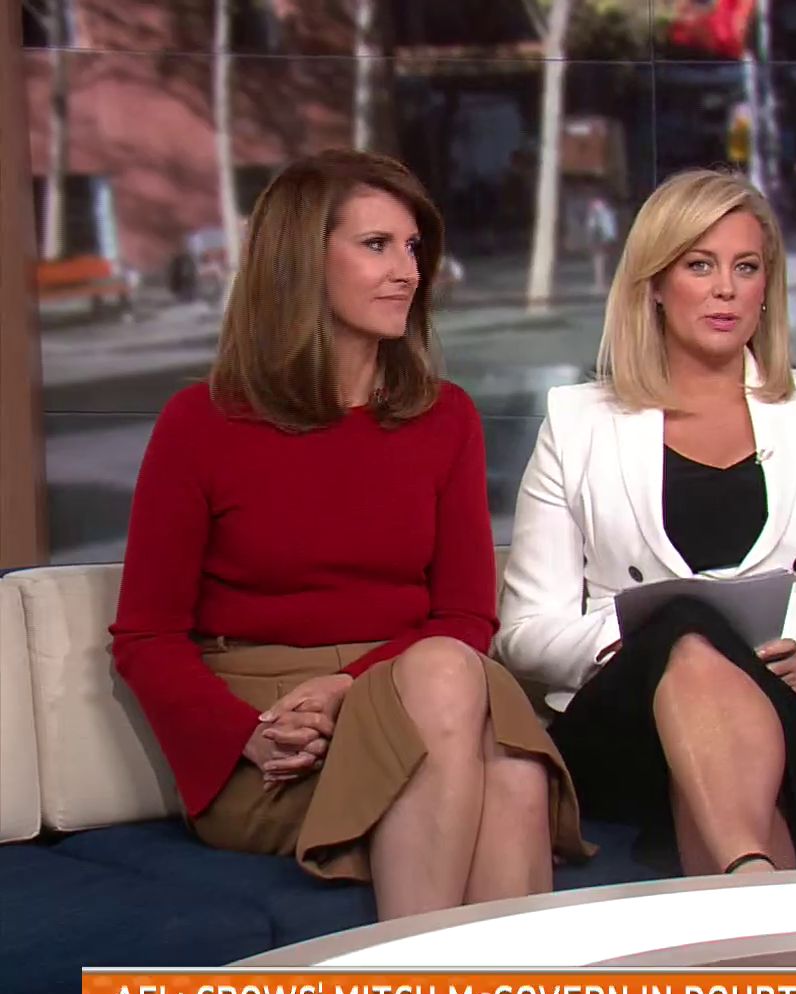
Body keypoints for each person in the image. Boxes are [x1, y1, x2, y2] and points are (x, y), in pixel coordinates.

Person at [110, 150, 590, 921]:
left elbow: (465, 616)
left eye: (413, 248)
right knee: (496, 767)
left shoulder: (446, 417)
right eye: (377, 246)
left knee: (498, 749)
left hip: (422, 689)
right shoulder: (200, 423)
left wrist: (348, 688)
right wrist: (244, 735)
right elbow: (146, 636)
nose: (408, 272)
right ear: (302, 259)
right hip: (277, 740)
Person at [496, 169, 796, 876]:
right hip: (630, 724)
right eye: (699, 266)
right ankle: (759, 889)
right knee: (684, 627)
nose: (725, 290)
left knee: (706, 677)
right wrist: (638, 643)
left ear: (766, 287)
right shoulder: (578, 422)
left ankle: (745, 882)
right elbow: (525, 632)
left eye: (746, 268)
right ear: (655, 283)